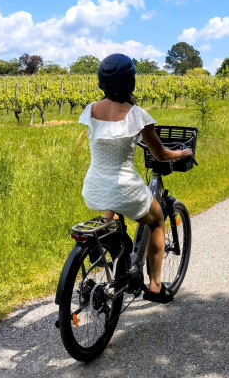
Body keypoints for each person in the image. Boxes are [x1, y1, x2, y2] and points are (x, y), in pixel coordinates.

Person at [78, 53, 193, 304]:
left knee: (113, 202)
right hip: (125, 187)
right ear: (131, 81)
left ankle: (105, 250)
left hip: (95, 185)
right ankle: (154, 285)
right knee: (157, 221)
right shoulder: (138, 115)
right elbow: (161, 155)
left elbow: (109, 136)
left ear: (102, 82)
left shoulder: (91, 110)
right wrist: (183, 152)